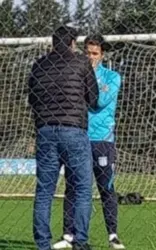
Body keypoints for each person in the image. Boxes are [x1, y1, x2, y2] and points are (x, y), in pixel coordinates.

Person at [29, 26, 99, 250]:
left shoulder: (38, 65)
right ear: (72, 43)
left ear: (52, 43)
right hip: (73, 131)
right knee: (82, 189)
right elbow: (94, 97)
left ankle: (42, 244)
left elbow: (32, 99)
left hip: (46, 131)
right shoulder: (81, 62)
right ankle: (80, 242)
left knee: (44, 191)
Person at [52, 34, 125, 250]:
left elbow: (99, 101)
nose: (91, 57)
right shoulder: (73, 76)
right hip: (77, 138)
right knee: (72, 187)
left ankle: (112, 235)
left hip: (102, 140)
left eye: (95, 53)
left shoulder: (112, 77)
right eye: (88, 53)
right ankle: (68, 235)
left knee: (106, 188)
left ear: (102, 55)